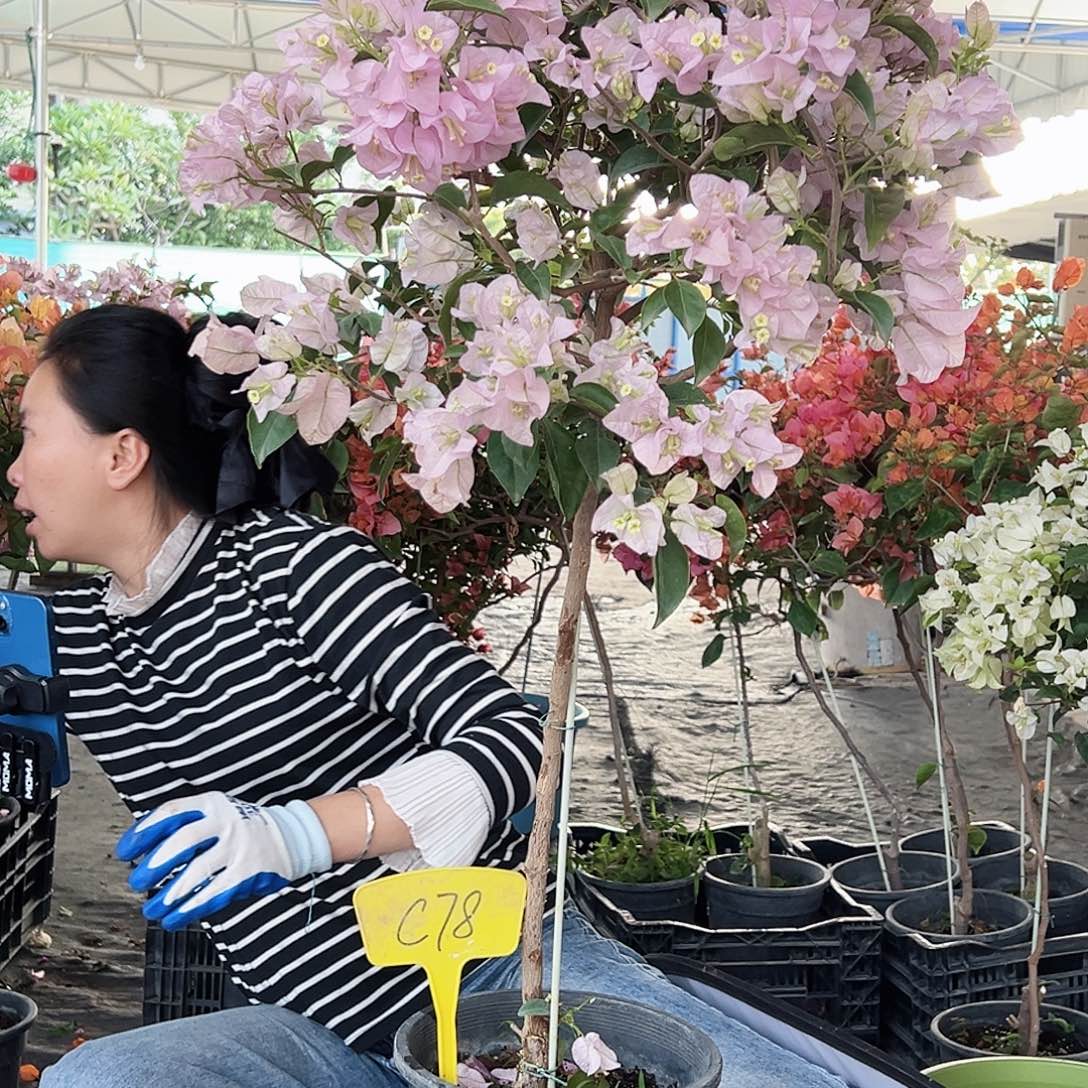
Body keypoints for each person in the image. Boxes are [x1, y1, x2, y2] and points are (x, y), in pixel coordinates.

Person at [18, 304, 846, 1088]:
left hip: (503, 977)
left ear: (121, 455)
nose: (15, 472)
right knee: (98, 1077)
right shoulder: (74, 636)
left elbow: (521, 737)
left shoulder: (291, 571)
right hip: (331, 1037)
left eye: (30, 436)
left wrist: (297, 835)